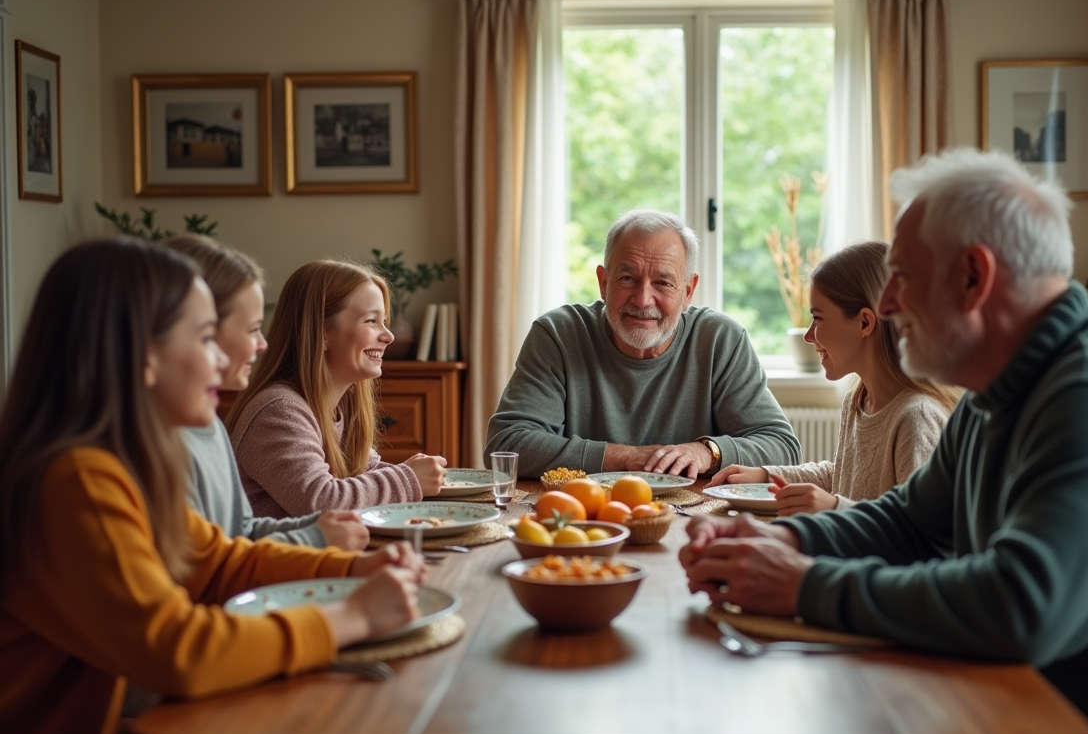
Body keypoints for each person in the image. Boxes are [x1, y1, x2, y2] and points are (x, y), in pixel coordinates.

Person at [680, 149, 1088, 734]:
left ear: (973, 278)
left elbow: (1019, 607)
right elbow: (910, 522)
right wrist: (775, 536)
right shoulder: (996, 390)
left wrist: (800, 583)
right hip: (1011, 705)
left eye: (901, 275)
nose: (889, 303)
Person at [0, 239, 427, 734]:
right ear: (142, 353)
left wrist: (349, 568)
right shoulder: (76, 480)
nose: (226, 357)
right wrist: (353, 615)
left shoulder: (117, 462)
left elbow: (221, 559)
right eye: (206, 337)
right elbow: (178, 650)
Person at [486, 209, 801, 478]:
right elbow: (506, 446)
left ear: (688, 292)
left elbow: (783, 448)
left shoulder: (720, 340)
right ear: (603, 282)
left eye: (663, 282)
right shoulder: (558, 334)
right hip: (582, 517)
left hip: (698, 519)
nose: (643, 299)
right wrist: (626, 458)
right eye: (627, 279)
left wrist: (708, 452)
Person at [708, 242, 959, 515]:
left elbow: (920, 532)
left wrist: (835, 507)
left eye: (818, 318)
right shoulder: (858, 399)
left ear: (865, 322)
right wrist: (766, 475)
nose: (808, 335)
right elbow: (840, 476)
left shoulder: (916, 417)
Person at [163, 235, 368, 549]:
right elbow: (208, 566)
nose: (263, 343)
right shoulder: (277, 407)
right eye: (252, 329)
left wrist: (324, 531)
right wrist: (319, 539)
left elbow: (238, 533)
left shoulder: (208, 427)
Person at [226, 260, 446, 519]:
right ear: (322, 332)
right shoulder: (278, 410)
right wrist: (409, 478)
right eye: (371, 320)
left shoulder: (343, 406)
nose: (389, 336)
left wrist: (416, 474)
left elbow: (365, 474)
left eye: (384, 321)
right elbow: (321, 501)